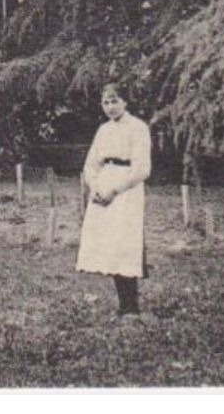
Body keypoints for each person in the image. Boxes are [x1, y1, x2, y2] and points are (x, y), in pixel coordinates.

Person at [76, 81, 152, 317]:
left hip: (126, 189)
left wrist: (115, 190)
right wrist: (97, 187)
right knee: (108, 245)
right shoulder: (103, 130)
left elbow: (142, 169)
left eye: (115, 101)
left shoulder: (138, 128)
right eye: (106, 102)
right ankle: (123, 304)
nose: (110, 107)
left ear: (125, 102)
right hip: (104, 185)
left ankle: (131, 307)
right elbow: (91, 164)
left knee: (125, 244)